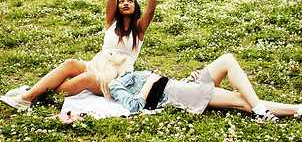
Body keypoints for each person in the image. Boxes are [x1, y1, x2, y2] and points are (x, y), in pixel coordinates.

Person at [0, 0, 157, 110]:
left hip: (118, 78)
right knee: (70, 64)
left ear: (136, 6)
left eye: (130, 1)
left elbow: (150, 10)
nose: (125, 3)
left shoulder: (139, 29)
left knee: (86, 79)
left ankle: (27, 96)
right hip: (98, 66)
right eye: (121, 1)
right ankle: (29, 95)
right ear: (117, 6)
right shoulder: (112, 22)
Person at [95, 51, 301, 122]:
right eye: (110, 54)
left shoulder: (131, 73)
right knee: (239, 101)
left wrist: (187, 79)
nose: (116, 52)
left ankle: (259, 109)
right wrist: (149, 82)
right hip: (180, 95)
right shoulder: (116, 84)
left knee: (227, 59)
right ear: (107, 64)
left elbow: (167, 86)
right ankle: (291, 109)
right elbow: (133, 106)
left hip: (183, 87)